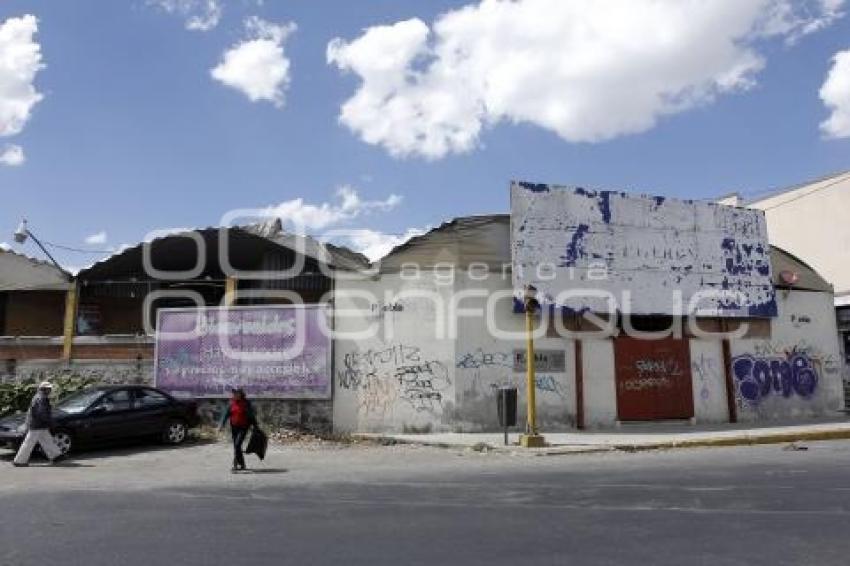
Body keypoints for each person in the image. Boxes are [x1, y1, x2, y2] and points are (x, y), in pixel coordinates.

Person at [13, 381, 63, 467]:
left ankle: (56, 455)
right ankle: (19, 461)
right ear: (44, 389)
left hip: (38, 423)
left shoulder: (38, 396)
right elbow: (42, 412)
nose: (50, 390)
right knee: (29, 442)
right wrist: (49, 421)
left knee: (47, 440)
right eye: (49, 389)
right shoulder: (41, 398)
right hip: (37, 424)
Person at [218, 387, 257, 472]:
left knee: (237, 445)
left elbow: (251, 415)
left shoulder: (246, 403)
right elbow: (226, 414)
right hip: (234, 427)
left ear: (241, 394)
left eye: (237, 393)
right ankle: (242, 464)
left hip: (243, 427)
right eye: (234, 393)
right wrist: (221, 425)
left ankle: (235, 464)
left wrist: (255, 426)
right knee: (236, 446)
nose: (235, 394)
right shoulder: (231, 403)